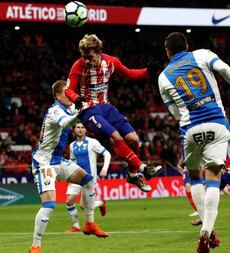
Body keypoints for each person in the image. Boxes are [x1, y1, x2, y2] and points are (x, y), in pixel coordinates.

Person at [158, 32, 230, 253]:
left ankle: (209, 230)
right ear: (187, 46)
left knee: (193, 176)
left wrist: (185, 115)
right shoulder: (202, 54)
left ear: (167, 51)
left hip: (190, 129)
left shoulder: (162, 76)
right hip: (217, 124)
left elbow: (173, 111)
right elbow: (224, 69)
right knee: (213, 176)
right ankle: (206, 231)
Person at [65, 34, 161, 192]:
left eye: (89, 57)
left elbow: (129, 73)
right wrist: (75, 97)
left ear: (98, 51)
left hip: (106, 107)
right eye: (84, 57)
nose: (87, 61)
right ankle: (144, 168)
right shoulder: (78, 65)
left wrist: (147, 71)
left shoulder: (111, 62)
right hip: (87, 110)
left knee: (133, 139)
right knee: (115, 136)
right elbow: (68, 88)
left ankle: (132, 174)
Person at [29, 80, 108, 253]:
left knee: (88, 180)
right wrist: (83, 112)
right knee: (49, 205)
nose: (71, 94)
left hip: (58, 159)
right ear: (58, 95)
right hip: (44, 163)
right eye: (67, 92)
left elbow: (83, 111)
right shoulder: (55, 110)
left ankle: (89, 224)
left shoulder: (69, 108)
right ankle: (35, 245)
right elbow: (66, 123)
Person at [65, 122, 111, 232]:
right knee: (69, 201)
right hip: (76, 177)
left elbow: (107, 154)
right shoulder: (72, 145)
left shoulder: (93, 142)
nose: (80, 129)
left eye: (82, 127)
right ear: (74, 130)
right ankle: (76, 226)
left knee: (83, 206)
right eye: (78, 127)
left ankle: (100, 203)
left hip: (89, 178)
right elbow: (72, 161)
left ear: (86, 130)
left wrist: (104, 168)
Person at [176, 159, 202, 226]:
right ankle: (197, 210)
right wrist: (179, 163)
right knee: (188, 188)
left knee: (196, 187)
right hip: (186, 167)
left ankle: (201, 212)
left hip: (194, 164)